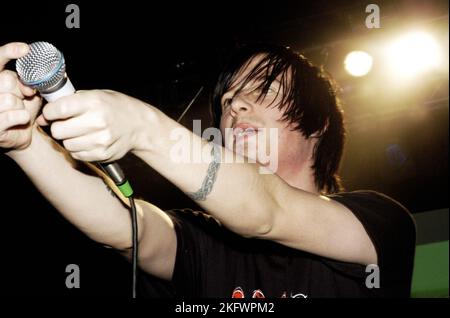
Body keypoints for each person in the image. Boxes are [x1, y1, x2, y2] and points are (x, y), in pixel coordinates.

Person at [0, 42, 416, 297]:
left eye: (263, 89)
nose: (234, 104)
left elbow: (268, 212)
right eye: (229, 99)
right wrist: (25, 142)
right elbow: (125, 225)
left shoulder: (379, 223)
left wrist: (147, 128)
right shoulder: (208, 242)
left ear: (320, 124)